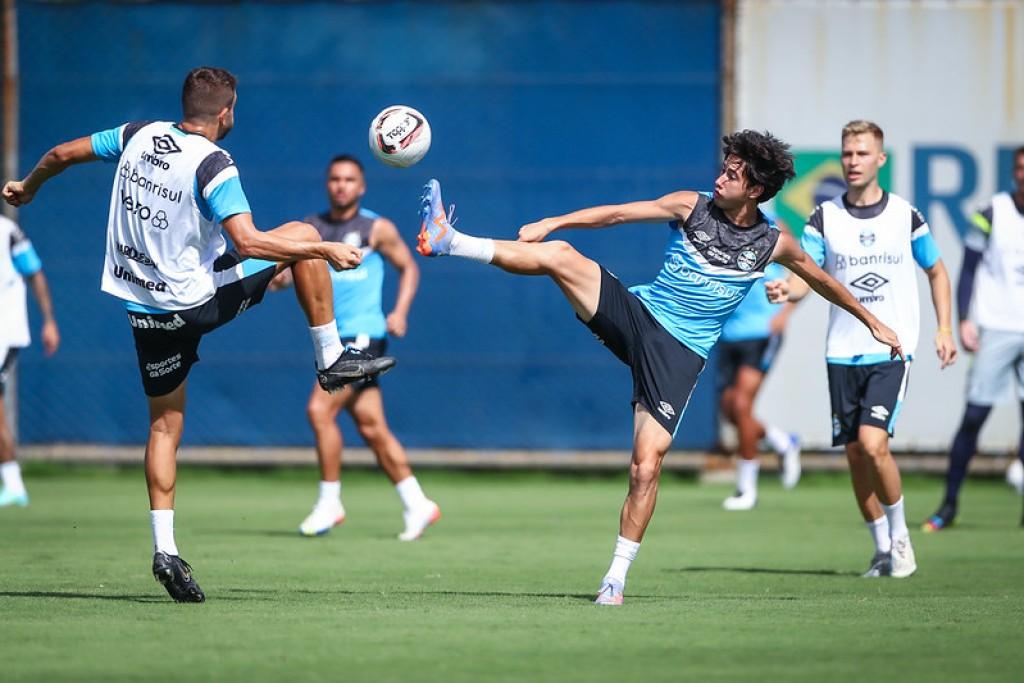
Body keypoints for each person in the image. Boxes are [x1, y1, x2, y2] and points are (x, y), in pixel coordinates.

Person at [416, 130, 903, 605]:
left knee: (646, 467)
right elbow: (618, 214)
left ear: (755, 190)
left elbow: (824, 281)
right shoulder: (691, 206)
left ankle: (614, 579)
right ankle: (450, 240)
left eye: (733, 175)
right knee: (559, 255)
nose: (721, 178)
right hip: (639, 317)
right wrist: (553, 222)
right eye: (724, 169)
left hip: (678, 357)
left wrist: (873, 322)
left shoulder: (773, 243)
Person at [2, 66, 395, 603]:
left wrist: (27, 187)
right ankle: (330, 357)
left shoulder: (137, 134)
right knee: (303, 233)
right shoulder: (214, 163)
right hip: (194, 303)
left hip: (143, 312)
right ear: (226, 111)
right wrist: (323, 249)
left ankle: (165, 549)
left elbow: (60, 153)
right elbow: (249, 242)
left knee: (164, 426)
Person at [768, 120, 957, 578]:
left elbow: (936, 271)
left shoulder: (905, 215)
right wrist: (788, 290)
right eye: (847, 153)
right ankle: (881, 549)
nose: (853, 161)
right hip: (842, 351)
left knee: (874, 445)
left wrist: (944, 328)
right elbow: (807, 275)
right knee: (855, 454)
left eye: (862, 153)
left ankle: (901, 538)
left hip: (892, 349)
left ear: (880, 159)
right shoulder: (823, 217)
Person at [272, 154, 440, 540]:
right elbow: (294, 274)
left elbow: (409, 267)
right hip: (331, 335)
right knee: (371, 426)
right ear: (327, 184)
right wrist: (277, 281)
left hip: (363, 336)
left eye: (349, 179)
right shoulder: (312, 229)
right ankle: (417, 503)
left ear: (361, 186)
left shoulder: (376, 227)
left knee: (319, 410)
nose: (341, 185)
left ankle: (330, 502)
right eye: (335, 179)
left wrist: (400, 311)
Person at [923, 145, 1024, 531]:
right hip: (995, 326)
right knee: (974, 417)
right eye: (1020, 167)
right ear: (1013, 171)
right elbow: (967, 269)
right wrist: (964, 319)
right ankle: (948, 505)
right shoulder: (991, 212)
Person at [718, 256, 801, 511]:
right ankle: (782, 441)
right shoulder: (715, 236)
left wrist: (786, 312)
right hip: (728, 334)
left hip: (762, 332)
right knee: (729, 410)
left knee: (741, 405)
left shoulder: (773, 235)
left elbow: (803, 272)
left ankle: (746, 489)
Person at [0, 217, 60, 507]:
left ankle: (13, 484)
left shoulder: (7, 231)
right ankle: (13, 483)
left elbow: (34, 271)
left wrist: (48, 321)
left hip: (4, 331)